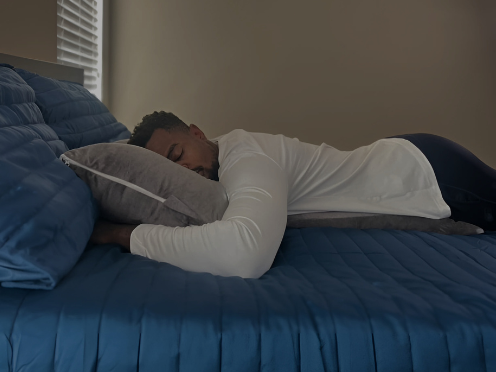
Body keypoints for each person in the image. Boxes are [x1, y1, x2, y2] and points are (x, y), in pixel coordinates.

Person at [90, 111, 496, 278]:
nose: (180, 171)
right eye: (167, 168)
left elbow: (244, 253)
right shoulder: (227, 158)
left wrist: (122, 235)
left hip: (427, 172)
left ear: (197, 134)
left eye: (177, 154)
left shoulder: (246, 159)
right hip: (408, 158)